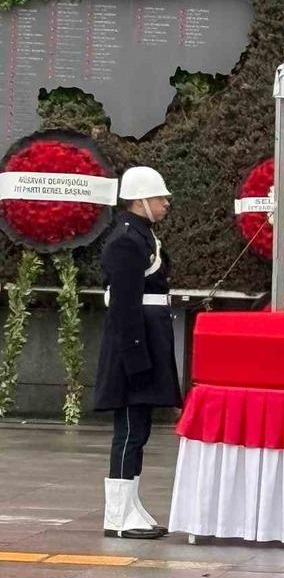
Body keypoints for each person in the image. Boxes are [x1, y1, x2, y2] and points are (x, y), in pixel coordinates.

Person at [94, 166, 182, 538]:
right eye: (160, 197)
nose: (165, 203)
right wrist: (136, 361)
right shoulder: (126, 241)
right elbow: (125, 308)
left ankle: (131, 505)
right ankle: (117, 516)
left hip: (147, 341)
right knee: (129, 431)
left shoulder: (141, 236)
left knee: (139, 430)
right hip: (134, 348)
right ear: (140, 200)